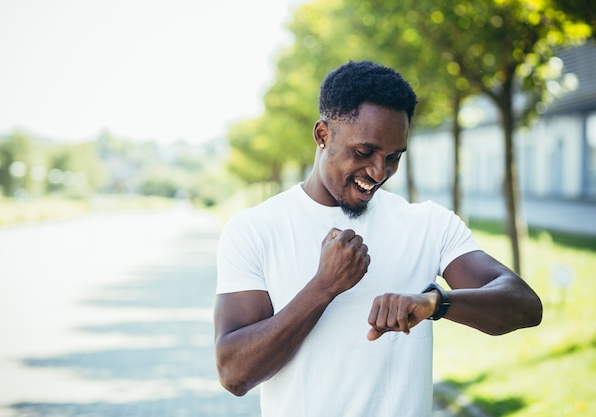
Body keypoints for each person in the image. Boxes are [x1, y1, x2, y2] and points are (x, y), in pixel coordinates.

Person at [214, 60, 542, 417]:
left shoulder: (428, 224)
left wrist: (435, 303)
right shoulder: (254, 229)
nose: (378, 172)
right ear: (323, 135)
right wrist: (323, 287)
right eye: (363, 152)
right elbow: (234, 374)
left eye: (393, 158)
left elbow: (525, 306)